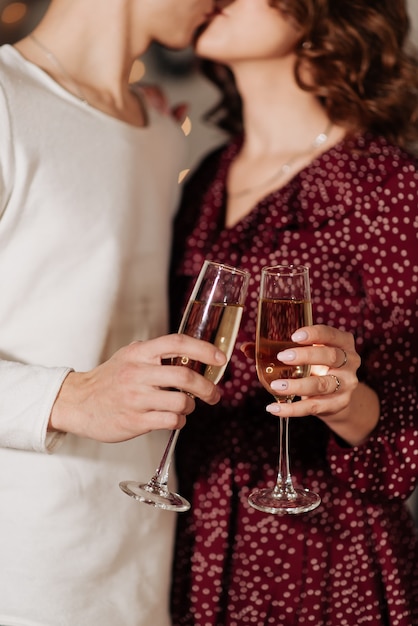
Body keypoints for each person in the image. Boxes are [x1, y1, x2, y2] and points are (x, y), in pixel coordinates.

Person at [169, 1, 418, 624]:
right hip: (196, 528)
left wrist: (344, 398)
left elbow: (406, 416)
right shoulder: (206, 177)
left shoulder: (383, 185)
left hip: (319, 547)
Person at [0, 1, 226, 625]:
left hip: (141, 560)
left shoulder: (159, 130)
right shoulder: (5, 101)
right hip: (22, 570)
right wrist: (74, 397)